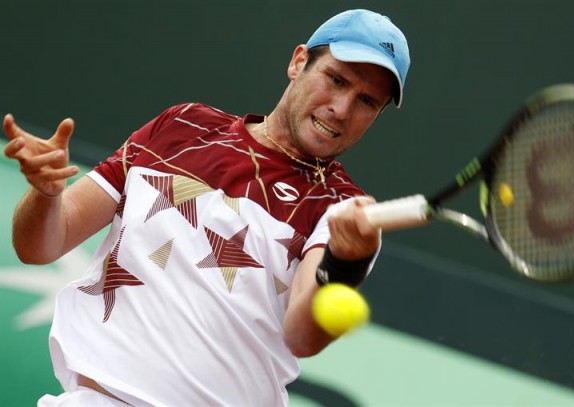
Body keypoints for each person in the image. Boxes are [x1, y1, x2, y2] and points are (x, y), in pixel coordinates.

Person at [3, 8, 410, 406]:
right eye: (336, 80)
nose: (342, 109)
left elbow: (303, 337)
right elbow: (39, 247)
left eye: (366, 102)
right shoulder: (182, 126)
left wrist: (345, 266)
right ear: (299, 61)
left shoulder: (345, 211)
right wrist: (47, 193)